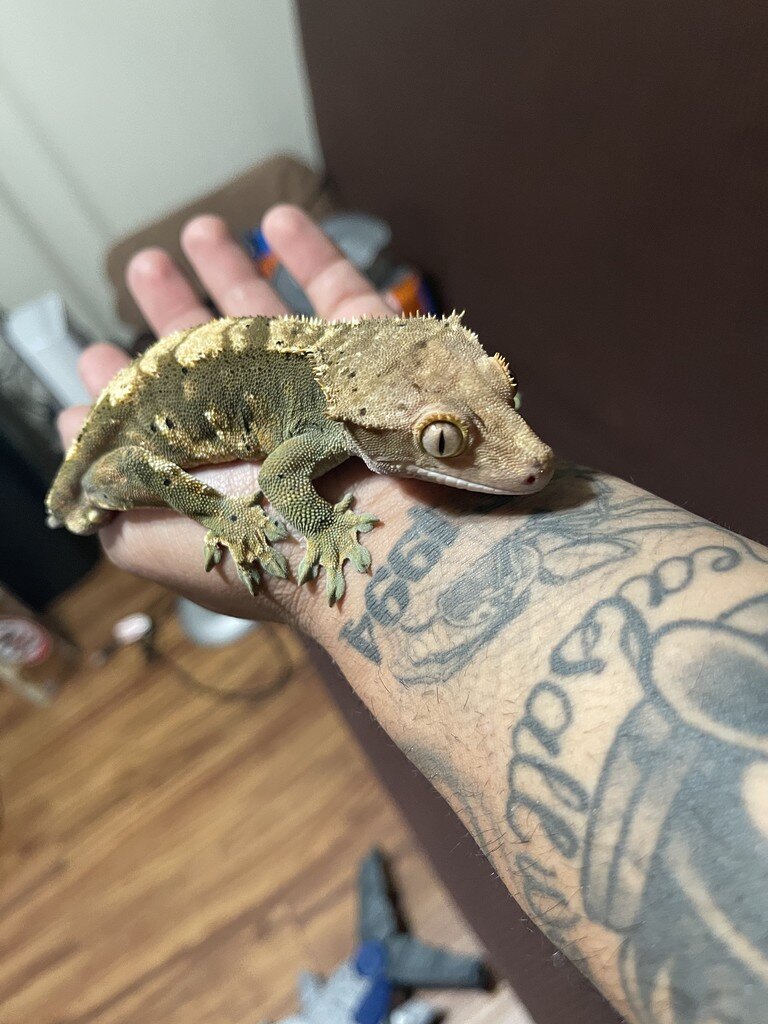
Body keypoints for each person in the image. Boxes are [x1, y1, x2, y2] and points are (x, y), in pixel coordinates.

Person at [59, 205, 768, 1024]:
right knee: (147, 474)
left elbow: (500, 441)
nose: (531, 458)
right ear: (368, 431)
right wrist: (279, 527)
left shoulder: (385, 390)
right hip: (137, 434)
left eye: (503, 399)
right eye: (441, 443)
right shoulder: (323, 429)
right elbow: (284, 483)